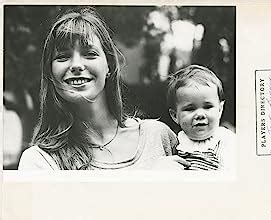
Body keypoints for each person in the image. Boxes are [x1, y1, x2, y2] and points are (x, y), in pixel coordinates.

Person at [18, 7, 190, 170]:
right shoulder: (40, 161)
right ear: (50, 73)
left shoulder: (159, 137)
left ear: (109, 66)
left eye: (89, 54)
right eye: (63, 57)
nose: (77, 65)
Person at [167, 65, 236, 172]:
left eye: (208, 107)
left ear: (220, 109)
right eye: (190, 109)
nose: (200, 114)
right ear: (175, 116)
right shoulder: (176, 143)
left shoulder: (226, 141)